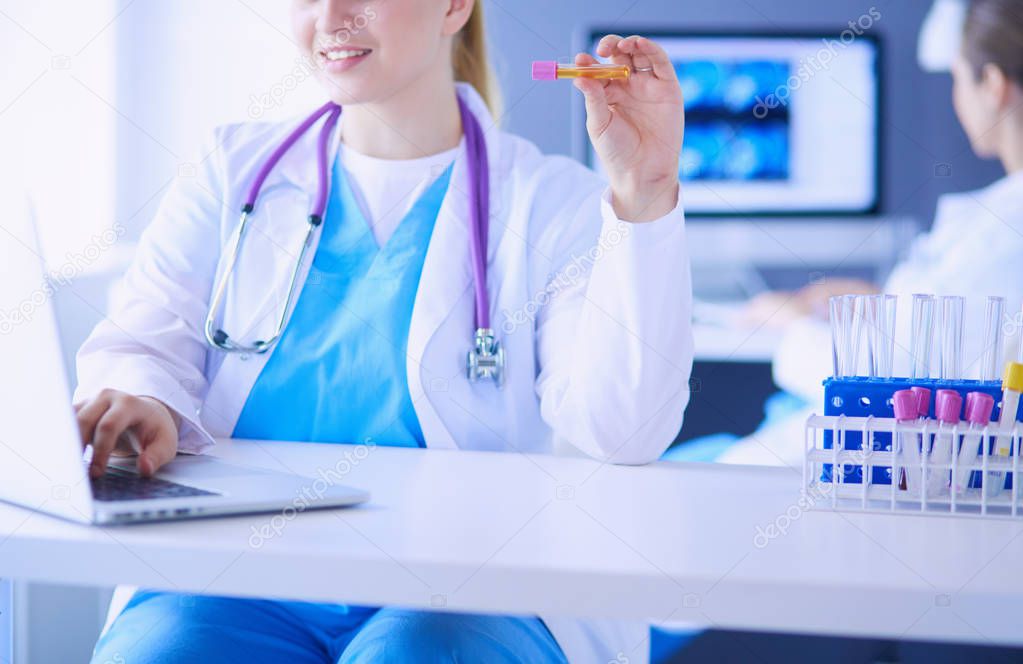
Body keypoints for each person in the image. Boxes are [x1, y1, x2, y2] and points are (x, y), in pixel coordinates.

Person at [75, 1, 692, 662]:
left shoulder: (553, 204)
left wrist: (645, 191)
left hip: (470, 587)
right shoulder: (230, 171)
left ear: (454, 6)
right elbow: (143, 344)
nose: (332, 15)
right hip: (233, 578)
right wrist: (142, 398)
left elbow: (623, 431)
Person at [722, 0, 1023, 469]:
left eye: (959, 79)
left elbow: (893, 390)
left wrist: (790, 326)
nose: (956, 96)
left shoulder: (1002, 236)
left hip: (869, 462)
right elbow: (951, 320)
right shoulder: (998, 224)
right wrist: (879, 301)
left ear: (994, 85)